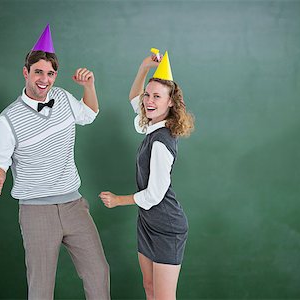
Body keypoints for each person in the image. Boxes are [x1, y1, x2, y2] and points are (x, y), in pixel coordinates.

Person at [0, 24, 110, 299]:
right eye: (38, 72)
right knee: (41, 287)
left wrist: (89, 86)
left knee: (98, 271)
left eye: (50, 73)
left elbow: (89, 114)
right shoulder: (7, 120)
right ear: (26, 73)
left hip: (74, 205)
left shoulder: (63, 97)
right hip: (35, 211)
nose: (44, 79)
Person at [99, 50, 194, 299]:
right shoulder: (151, 124)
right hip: (148, 222)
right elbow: (134, 98)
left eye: (157, 96)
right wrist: (144, 67)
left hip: (167, 226)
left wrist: (118, 200)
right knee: (150, 289)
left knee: (163, 297)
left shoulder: (161, 141)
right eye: (148, 95)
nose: (148, 101)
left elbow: (155, 194)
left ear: (170, 102)